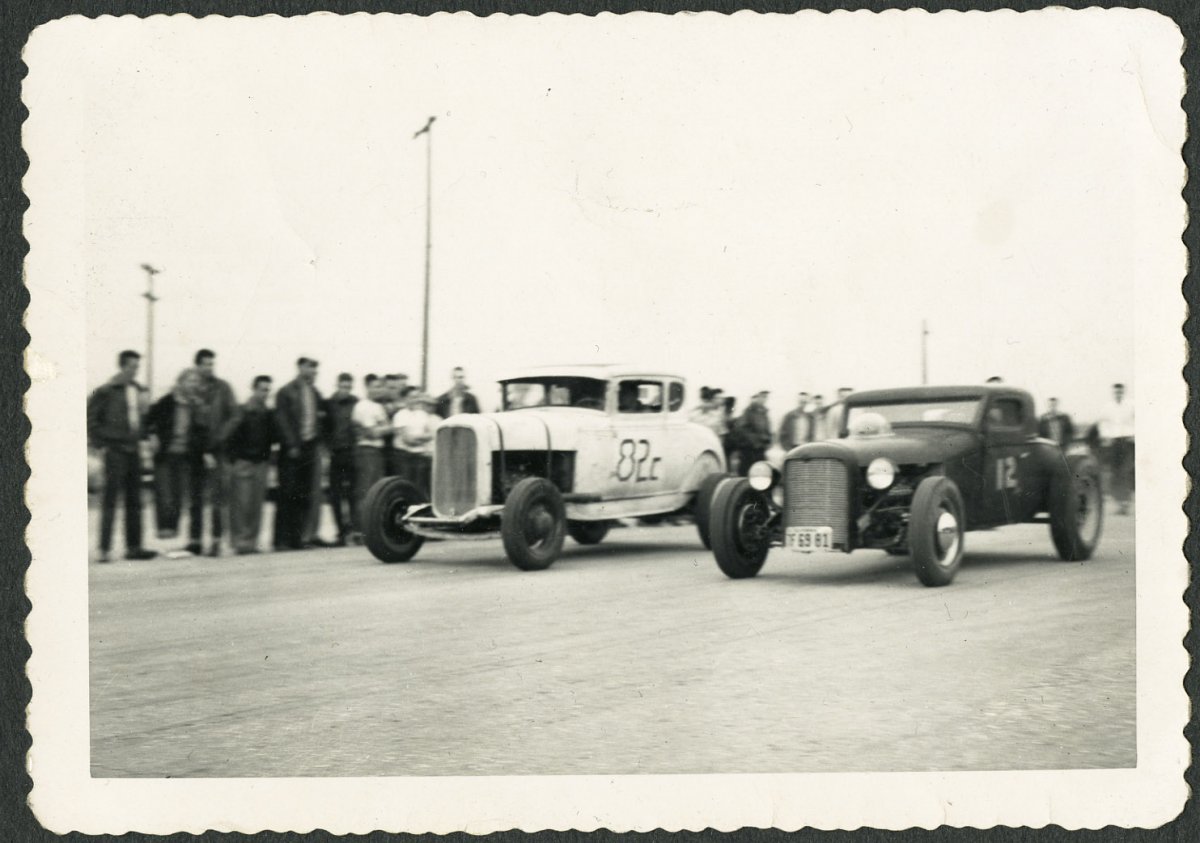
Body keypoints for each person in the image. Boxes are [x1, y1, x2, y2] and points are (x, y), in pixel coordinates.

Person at [86, 350, 157, 562]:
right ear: (122, 366)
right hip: (115, 451)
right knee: (110, 500)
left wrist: (148, 434)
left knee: (135, 501)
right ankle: (104, 549)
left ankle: (134, 547)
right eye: (131, 367)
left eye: (137, 367)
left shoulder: (139, 390)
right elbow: (91, 421)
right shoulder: (106, 391)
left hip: (134, 451)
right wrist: (102, 445)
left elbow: (143, 420)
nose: (135, 371)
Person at [221, 375, 276, 554]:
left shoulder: (268, 414)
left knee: (256, 504)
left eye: (267, 390)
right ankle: (239, 542)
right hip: (243, 461)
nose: (265, 393)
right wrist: (233, 459)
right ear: (254, 389)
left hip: (261, 463)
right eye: (262, 389)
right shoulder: (242, 410)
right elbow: (227, 434)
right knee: (241, 504)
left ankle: (251, 542)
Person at [146, 368, 203, 542]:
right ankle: (163, 528)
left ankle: (173, 530)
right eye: (190, 380)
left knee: (179, 495)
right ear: (180, 382)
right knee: (164, 494)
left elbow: (201, 431)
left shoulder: (196, 405)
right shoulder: (166, 402)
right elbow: (148, 421)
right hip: (165, 453)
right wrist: (152, 436)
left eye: (195, 381)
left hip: (185, 455)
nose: (193, 384)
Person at [191, 349, 238, 556]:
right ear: (197, 366)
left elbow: (235, 415)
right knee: (195, 497)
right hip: (195, 450)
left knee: (218, 497)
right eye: (205, 364)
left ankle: (217, 540)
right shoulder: (190, 388)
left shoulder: (223, 388)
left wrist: (220, 437)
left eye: (212, 364)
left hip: (218, 450)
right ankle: (195, 541)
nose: (209, 367)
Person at [273, 357, 324, 550]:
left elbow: (319, 419)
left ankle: (297, 539)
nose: (312, 371)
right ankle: (280, 540)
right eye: (309, 367)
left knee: (303, 494)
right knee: (287, 494)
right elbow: (281, 420)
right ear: (300, 367)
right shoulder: (286, 392)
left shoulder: (314, 393)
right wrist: (291, 444)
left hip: (309, 448)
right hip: (292, 449)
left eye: (314, 368)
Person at [352, 374, 392, 531]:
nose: (378, 390)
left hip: (377, 451)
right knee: (365, 489)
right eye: (375, 386)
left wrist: (384, 429)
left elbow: (381, 429)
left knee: (377, 490)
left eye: (380, 387)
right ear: (367, 387)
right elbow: (372, 433)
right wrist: (388, 428)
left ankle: (371, 527)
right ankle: (360, 528)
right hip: (366, 450)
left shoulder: (378, 407)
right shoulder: (362, 406)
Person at [325, 373, 358, 546]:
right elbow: (324, 428)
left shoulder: (356, 402)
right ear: (337, 386)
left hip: (351, 453)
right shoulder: (329, 403)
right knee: (335, 495)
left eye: (348, 387)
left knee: (352, 494)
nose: (345, 390)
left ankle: (352, 530)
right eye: (342, 387)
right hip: (335, 454)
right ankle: (340, 532)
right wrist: (327, 448)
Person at [392, 388, 438, 497]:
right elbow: (408, 440)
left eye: (417, 397)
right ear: (405, 399)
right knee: (406, 486)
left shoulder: (422, 414)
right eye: (412, 397)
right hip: (404, 456)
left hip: (419, 456)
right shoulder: (400, 415)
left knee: (420, 488)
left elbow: (432, 434)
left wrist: (418, 438)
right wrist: (424, 438)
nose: (415, 400)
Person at [1098, 382, 1135, 514]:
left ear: (1123, 392)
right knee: (1115, 471)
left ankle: (1125, 502)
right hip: (1113, 442)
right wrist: (1106, 437)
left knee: (1125, 471)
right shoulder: (1108, 407)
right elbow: (1103, 423)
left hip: (1128, 441)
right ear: (1113, 392)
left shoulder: (1131, 404)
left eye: (1120, 391)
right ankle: (1119, 502)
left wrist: (1135, 435)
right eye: (1116, 392)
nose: (1118, 393)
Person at [734, 390, 772, 475]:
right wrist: (755, 441)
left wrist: (768, 439)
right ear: (756, 397)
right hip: (748, 449)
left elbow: (767, 429)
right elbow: (742, 428)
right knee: (745, 473)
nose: (764, 399)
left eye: (765, 397)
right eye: (762, 396)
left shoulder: (764, 412)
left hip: (760, 449)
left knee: (761, 472)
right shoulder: (748, 411)